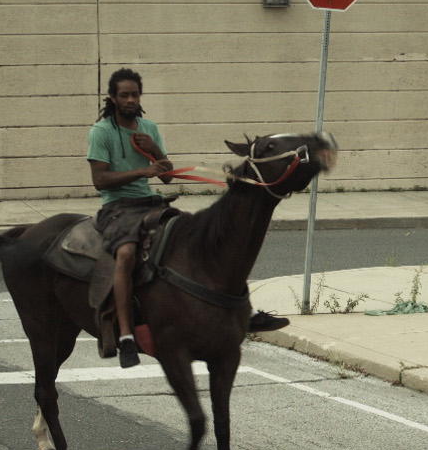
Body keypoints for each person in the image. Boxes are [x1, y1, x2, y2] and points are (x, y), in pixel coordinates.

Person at [88, 68, 289, 368]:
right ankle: (127, 336)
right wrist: (143, 171)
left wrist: (155, 152)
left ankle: (242, 312)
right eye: (124, 95)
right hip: (117, 208)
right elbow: (100, 180)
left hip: (149, 202)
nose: (130, 100)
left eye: (135, 94)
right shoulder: (101, 132)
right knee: (127, 254)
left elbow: (167, 176)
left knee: (202, 239)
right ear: (113, 98)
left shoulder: (149, 128)